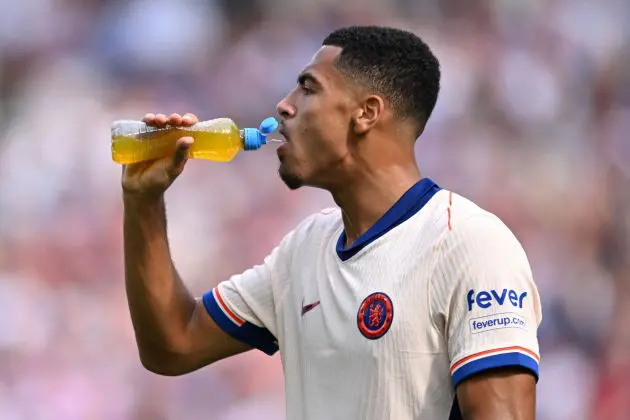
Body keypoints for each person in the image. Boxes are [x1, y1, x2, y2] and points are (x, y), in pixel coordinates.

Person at [121, 26, 542, 420]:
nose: (284, 105)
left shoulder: (469, 243)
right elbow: (172, 344)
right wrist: (143, 200)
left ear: (366, 113)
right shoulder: (304, 249)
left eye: (308, 88)